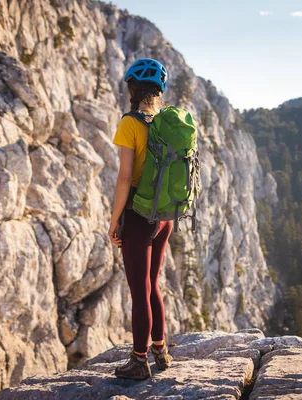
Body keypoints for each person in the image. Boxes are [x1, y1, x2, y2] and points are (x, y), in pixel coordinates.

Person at [108, 58, 173, 380]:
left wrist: (114, 219)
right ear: (159, 91)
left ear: (133, 89)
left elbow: (124, 179)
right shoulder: (167, 120)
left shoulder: (130, 123)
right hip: (165, 216)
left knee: (139, 291)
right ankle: (160, 350)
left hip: (138, 214)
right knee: (153, 285)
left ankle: (139, 360)